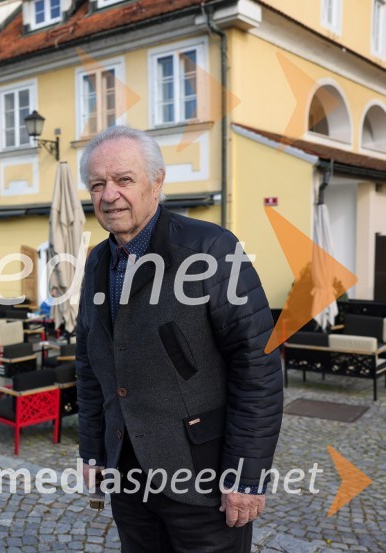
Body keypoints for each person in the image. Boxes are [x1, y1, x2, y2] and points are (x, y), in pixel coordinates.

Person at [76, 126, 283, 552]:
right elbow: (90, 367)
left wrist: (245, 476)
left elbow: (257, 367)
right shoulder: (97, 262)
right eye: (97, 184)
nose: (109, 195)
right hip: (128, 475)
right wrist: (93, 452)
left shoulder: (211, 249)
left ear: (157, 182)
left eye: (124, 179)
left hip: (203, 479)